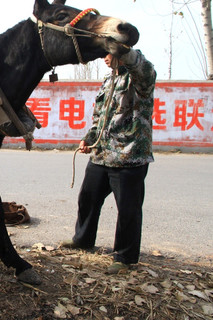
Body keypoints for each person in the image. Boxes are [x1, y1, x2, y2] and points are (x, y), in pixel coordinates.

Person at [61, 48, 156, 274]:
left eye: (109, 52)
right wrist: (89, 138)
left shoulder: (139, 77)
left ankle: (124, 258)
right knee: (88, 198)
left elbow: (145, 69)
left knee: (127, 210)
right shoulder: (109, 78)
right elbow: (100, 117)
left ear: (122, 54)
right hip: (102, 154)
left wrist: (125, 51)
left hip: (128, 156)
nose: (104, 57)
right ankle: (83, 240)